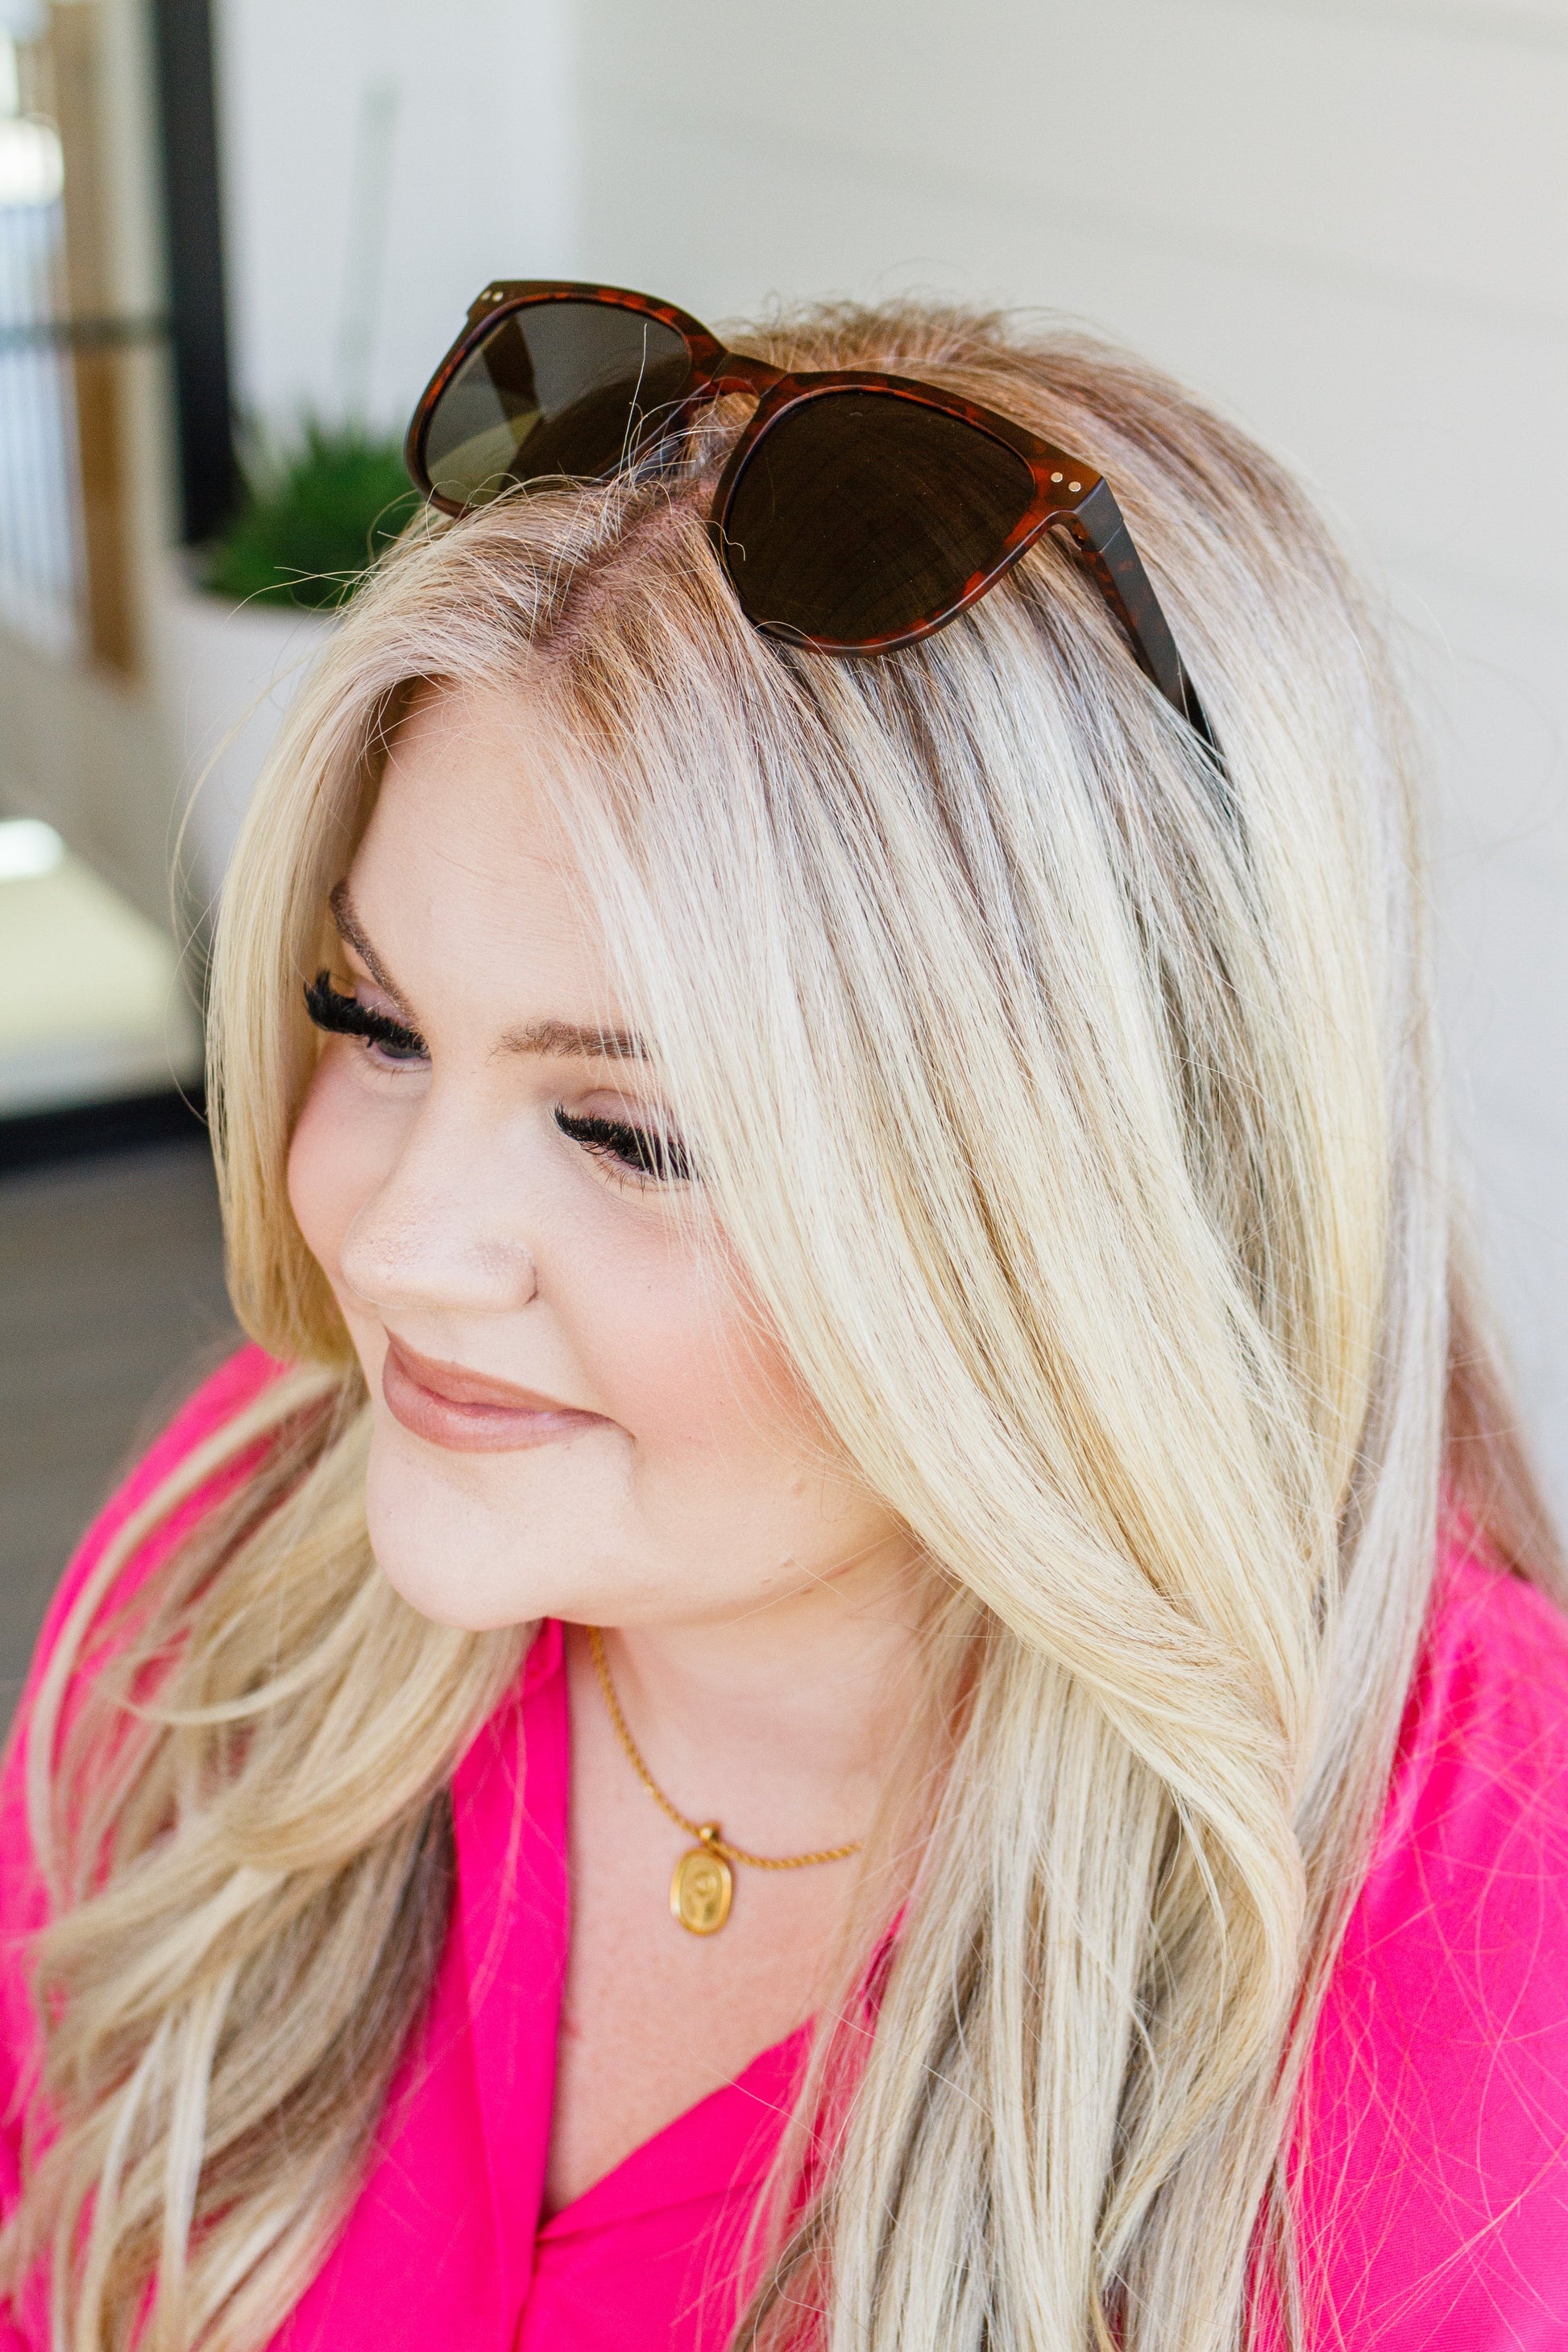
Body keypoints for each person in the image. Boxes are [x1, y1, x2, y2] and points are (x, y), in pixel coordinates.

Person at [1, 290, 1565, 2352]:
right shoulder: (237, 1553)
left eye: (631, 1133)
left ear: (1088, 1214)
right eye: (371, 1022)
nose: (391, 1248)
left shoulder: (1484, 1988)